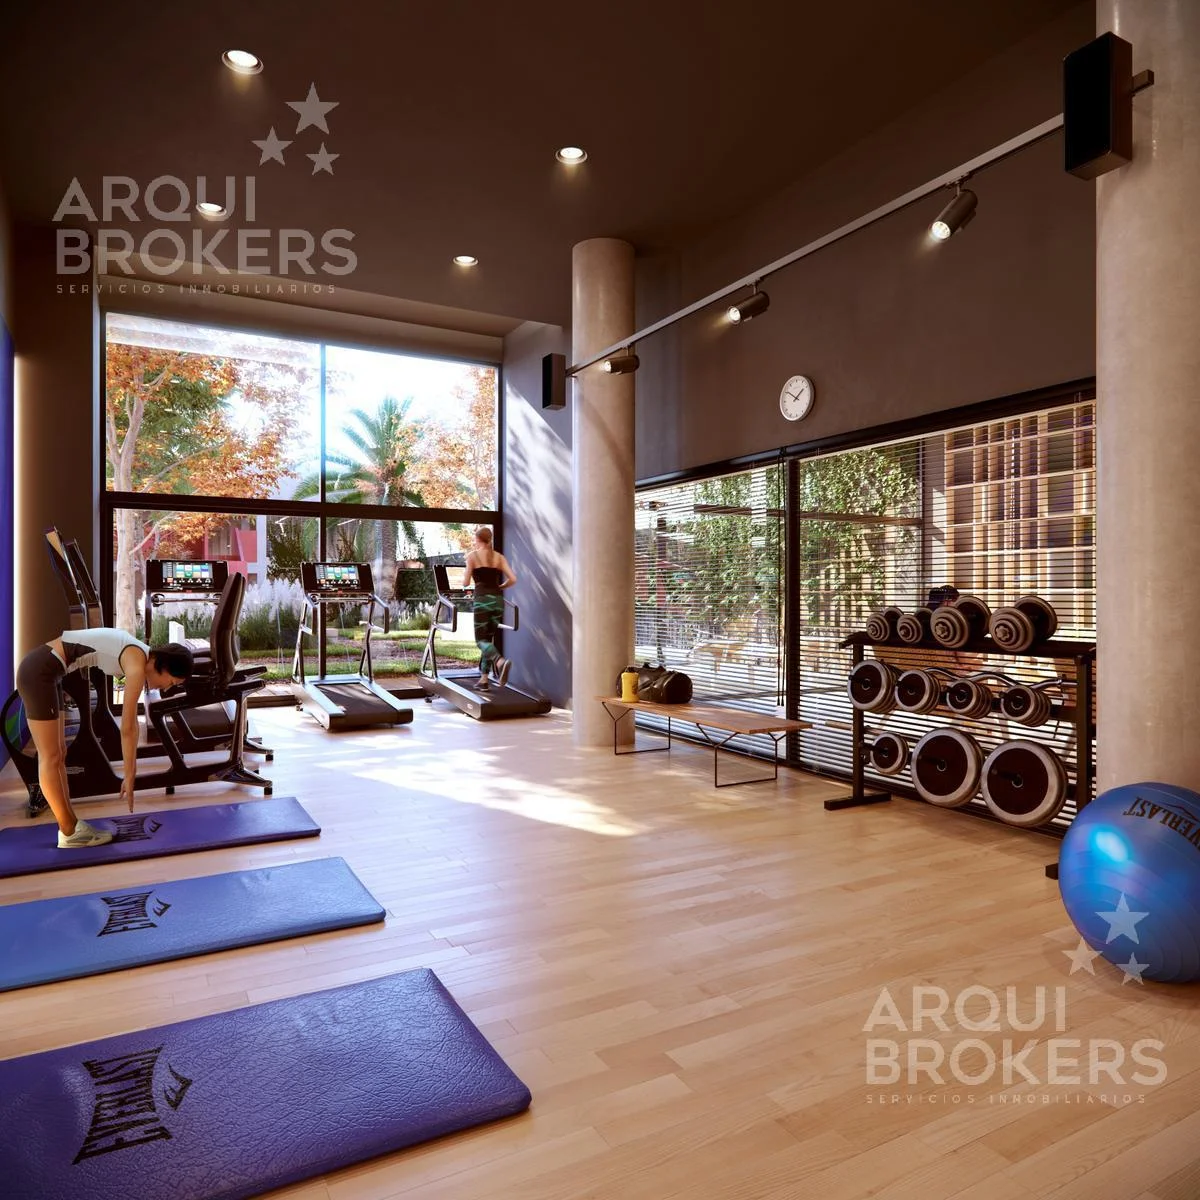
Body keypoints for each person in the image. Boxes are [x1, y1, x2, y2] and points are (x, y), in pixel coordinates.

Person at [16, 629, 194, 848]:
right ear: (164, 666)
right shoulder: (137, 662)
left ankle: (71, 826)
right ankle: (69, 831)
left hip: (52, 673)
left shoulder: (137, 654)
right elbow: (128, 727)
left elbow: (130, 726)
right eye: (172, 682)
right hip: (39, 671)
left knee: (59, 754)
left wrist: (130, 773)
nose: (166, 688)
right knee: (50, 757)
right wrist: (130, 775)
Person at [461, 528, 517, 690]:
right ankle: (484, 680)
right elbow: (513, 579)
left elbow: (465, 582)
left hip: (482, 601)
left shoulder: (472, 556)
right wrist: (500, 587)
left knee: (481, 641)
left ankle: (500, 662)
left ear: (478, 539)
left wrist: (467, 575)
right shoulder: (499, 557)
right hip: (498, 601)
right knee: (488, 640)